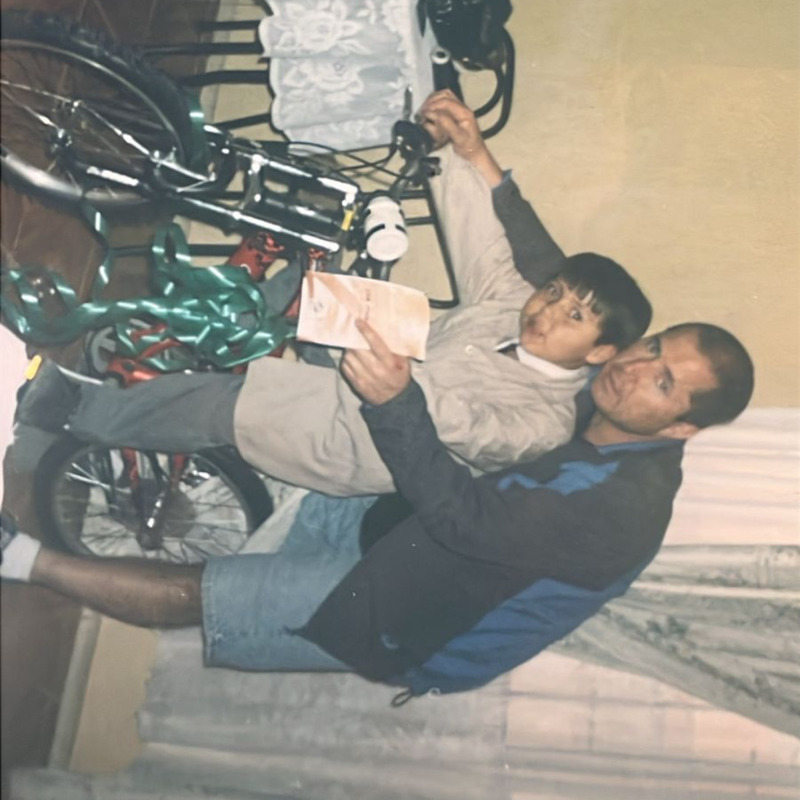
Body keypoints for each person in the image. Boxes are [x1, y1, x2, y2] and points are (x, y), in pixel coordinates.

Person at [1, 318, 754, 696]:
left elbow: (468, 522)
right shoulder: (599, 407)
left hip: (417, 623)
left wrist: (397, 401)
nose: (635, 370)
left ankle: (18, 557)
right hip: (414, 534)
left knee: (207, 595)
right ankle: (88, 412)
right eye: (653, 348)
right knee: (302, 442)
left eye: (664, 383)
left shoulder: (622, 513)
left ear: (682, 427)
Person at [15, 92, 651, 496]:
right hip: (375, 354)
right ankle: (174, 346)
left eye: (574, 315)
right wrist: (461, 149)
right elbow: (482, 238)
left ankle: (68, 411)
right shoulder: (517, 305)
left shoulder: (545, 423)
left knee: (219, 407)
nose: (547, 310)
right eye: (556, 292)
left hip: (357, 433)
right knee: (307, 265)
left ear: (599, 352)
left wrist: (402, 383)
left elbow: (472, 429)